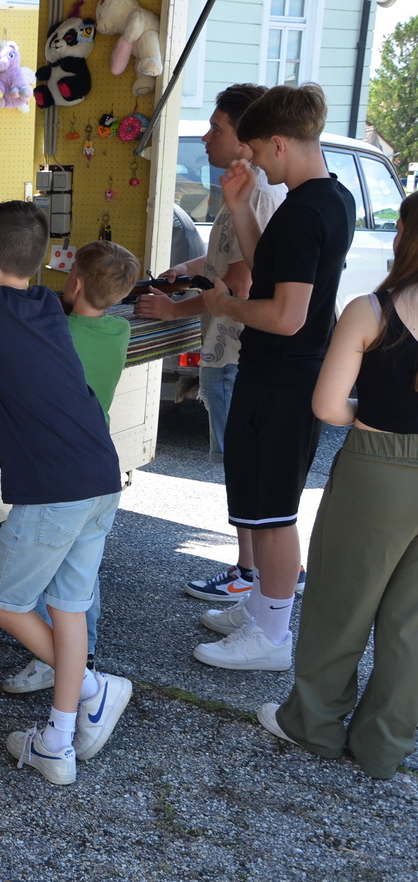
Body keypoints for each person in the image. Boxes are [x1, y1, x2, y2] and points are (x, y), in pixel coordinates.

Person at [0, 202, 133, 786]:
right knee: (69, 606)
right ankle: (58, 742)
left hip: (54, 488)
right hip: (100, 474)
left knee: (0, 601)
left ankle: (91, 687)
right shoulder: (44, 303)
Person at [192, 84, 356, 672]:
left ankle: (271, 635)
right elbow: (275, 270)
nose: (254, 160)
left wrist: (225, 306)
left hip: (283, 376)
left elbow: (286, 316)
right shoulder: (328, 198)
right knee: (261, 504)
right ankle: (263, 608)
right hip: (285, 374)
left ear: (281, 143)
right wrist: (241, 207)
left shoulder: (305, 209)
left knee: (274, 513)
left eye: (259, 151)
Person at [258, 191, 418, 779]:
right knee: (412, 624)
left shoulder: (372, 310)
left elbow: (327, 406)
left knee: (340, 607)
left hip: (378, 470)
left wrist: (369, 415)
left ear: (405, 236)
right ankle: (383, 747)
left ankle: (315, 724)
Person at [136, 85, 291, 605]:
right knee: (250, 467)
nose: (206, 137)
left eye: (216, 128)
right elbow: (225, 260)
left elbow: (241, 284)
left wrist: (173, 310)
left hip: (235, 353)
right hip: (233, 352)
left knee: (243, 468)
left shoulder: (257, 194)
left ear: (247, 137)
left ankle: (249, 572)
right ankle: (268, 569)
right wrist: (183, 271)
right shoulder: (245, 189)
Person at [4, 239, 141, 696]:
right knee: (79, 579)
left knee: (47, 572)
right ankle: (86, 653)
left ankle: (57, 663)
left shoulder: (57, 334)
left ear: (76, 283)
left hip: (61, 469)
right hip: (100, 463)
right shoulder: (118, 330)